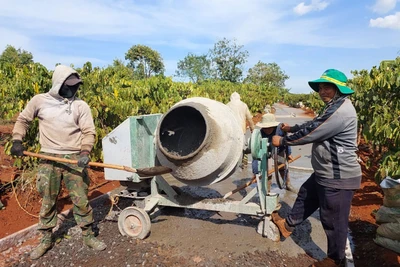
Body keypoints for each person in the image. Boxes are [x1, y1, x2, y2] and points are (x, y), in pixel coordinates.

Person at [10, 65, 107, 260]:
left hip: (74, 158)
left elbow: (89, 132)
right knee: (48, 199)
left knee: (80, 198)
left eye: (75, 86)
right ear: (58, 83)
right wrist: (17, 140)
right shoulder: (40, 101)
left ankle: (88, 235)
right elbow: (23, 120)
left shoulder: (81, 106)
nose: (73, 89)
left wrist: (85, 151)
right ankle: (46, 239)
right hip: (48, 157)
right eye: (69, 85)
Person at [271, 69, 361, 267]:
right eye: (320, 88)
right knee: (306, 195)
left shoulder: (341, 112)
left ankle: (335, 260)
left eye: (327, 87)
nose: (322, 91)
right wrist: (292, 128)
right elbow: (315, 123)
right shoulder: (334, 106)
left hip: (338, 176)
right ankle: (287, 226)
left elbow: (313, 132)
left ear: (339, 89)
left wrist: (283, 140)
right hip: (325, 172)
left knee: (333, 220)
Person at [251, 113, 297, 193]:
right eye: (265, 128)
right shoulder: (260, 134)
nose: (267, 130)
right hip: (266, 151)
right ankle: (267, 189)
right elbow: (256, 154)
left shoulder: (280, 130)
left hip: (279, 150)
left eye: (269, 127)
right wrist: (255, 172)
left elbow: (287, 141)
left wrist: (289, 153)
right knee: (267, 171)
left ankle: (287, 184)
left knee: (282, 167)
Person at [226, 92, 255, 168]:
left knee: (231, 146)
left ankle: (231, 163)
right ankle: (244, 163)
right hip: (241, 129)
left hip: (232, 129)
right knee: (244, 147)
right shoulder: (244, 105)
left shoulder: (227, 105)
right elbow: (249, 118)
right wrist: (252, 128)